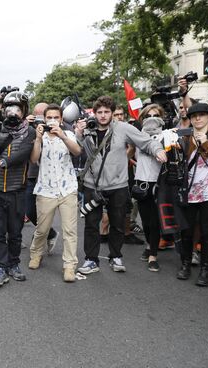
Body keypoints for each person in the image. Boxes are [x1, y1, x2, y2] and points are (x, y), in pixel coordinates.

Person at [75, 96, 166, 275]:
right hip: (92, 185)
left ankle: (115, 256)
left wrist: (158, 149)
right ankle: (91, 260)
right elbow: (77, 151)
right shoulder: (88, 128)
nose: (102, 116)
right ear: (94, 113)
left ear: (112, 113)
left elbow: (145, 141)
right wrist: (79, 133)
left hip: (117, 185)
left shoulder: (123, 128)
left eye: (106, 112)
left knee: (117, 223)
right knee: (91, 225)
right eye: (99, 112)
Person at [0, 91, 36, 287]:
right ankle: (0, 268)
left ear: (24, 111)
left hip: (18, 190)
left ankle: (14, 264)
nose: (13, 112)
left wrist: (2, 163)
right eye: (9, 108)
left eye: (17, 108)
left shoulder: (29, 132)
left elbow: (23, 154)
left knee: (15, 231)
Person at [28, 104, 82, 282]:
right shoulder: (40, 136)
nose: (52, 121)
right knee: (42, 229)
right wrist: (37, 139)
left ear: (61, 119)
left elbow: (77, 152)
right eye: (48, 117)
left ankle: (69, 266)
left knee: (70, 230)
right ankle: (36, 253)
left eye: (55, 117)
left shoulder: (69, 134)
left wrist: (63, 136)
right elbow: (34, 159)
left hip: (68, 189)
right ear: (44, 119)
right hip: (46, 189)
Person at [176, 103, 208, 286]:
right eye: (194, 116)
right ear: (190, 119)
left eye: (201, 115)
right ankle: (185, 265)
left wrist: (205, 143)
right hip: (189, 191)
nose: (198, 118)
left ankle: (205, 270)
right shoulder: (185, 137)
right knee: (187, 231)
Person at [132, 105, 167, 272]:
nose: (152, 118)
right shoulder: (137, 137)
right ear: (142, 119)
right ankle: (149, 245)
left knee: (154, 222)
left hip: (158, 183)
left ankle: (153, 254)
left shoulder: (166, 136)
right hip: (140, 183)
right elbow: (129, 154)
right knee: (145, 221)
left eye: (156, 115)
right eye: (148, 115)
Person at [24, 102, 60, 253]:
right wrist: (26, 125)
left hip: (49, 177)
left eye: (42, 116)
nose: (40, 119)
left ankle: (41, 236)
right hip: (31, 174)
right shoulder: (28, 128)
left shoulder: (56, 128)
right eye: (36, 115)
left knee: (45, 211)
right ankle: (48, 232)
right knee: (29, 209)